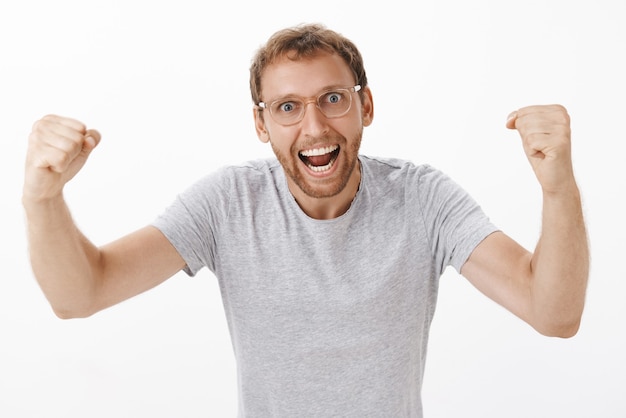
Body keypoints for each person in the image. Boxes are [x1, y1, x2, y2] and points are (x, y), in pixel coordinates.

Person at [22, 23, 589, 417]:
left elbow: (553, 313)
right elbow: (82, 293)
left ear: (365, 106)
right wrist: (42, 199)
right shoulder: (227, 202)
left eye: (333, 99)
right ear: (261, 123)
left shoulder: (423, 199)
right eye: (288, 107)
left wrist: (558, 185)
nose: (315, 127)